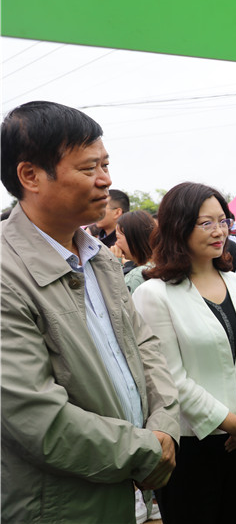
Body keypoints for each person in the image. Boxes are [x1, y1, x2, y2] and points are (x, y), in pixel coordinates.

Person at [0, 100, 180, 523]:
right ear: (30, 176)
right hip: (62, 506)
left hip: (128, 490)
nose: (106, 180)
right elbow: (34, 416)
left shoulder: (99, 257)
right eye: (88, 168)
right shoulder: (7, 273)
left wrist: (165, 424)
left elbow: (145, 346)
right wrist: (148, 449)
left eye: (106, 164)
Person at [132, 182, 236, 524]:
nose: (219, 231)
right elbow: (170, 377)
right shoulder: (155, 293)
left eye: (222, 220)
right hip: (193, 444)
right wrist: (231, 423)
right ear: (178, 226)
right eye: (205, 223)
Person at [111, 209, 156, 293]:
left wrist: (115, 263)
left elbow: (117, 299)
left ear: (132, 238)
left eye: (117, 238)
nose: (116, 244)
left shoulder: (139, 274)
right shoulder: (162, 266)